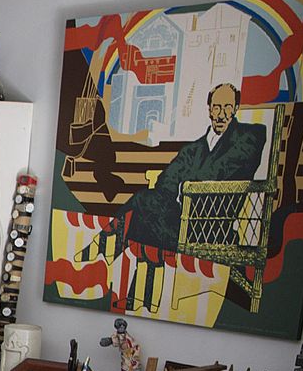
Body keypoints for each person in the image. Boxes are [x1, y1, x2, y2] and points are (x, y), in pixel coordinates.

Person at [98, 83, 267, 255]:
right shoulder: (192, 149)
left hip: (213, 227)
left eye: (227, 107)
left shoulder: (251, 135)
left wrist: (186, 185)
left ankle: (104, 252)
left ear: (236, 108)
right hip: (181, 220)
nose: (222, 114)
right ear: (209, 110)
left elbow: (225, 170)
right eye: (216, 107)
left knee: (141, 207)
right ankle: (112, 254)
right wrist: (182, 190)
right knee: (143, 206)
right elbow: (165, 182)